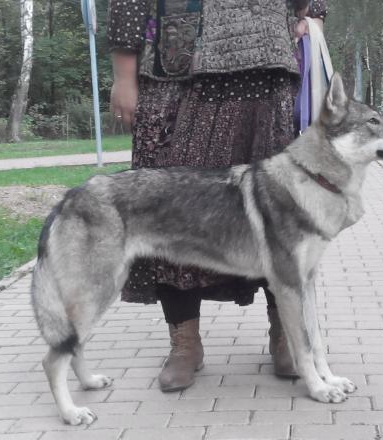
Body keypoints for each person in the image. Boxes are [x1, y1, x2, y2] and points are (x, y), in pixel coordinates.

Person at [107, 0, 327, 392]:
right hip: (174, 68)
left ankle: (286, 336)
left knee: (275, 211)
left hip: (263, 62)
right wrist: (123, 75)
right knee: (168, 207)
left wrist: (310, 16)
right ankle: (184, 343)